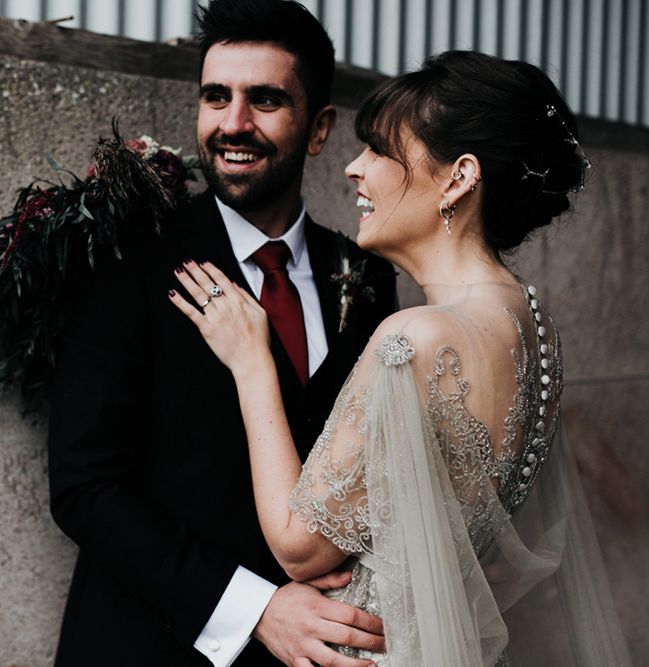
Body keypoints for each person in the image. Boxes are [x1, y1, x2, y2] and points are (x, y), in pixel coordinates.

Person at [170, 51, 633, 665]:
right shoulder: (533, 323)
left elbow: (300, 550)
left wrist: (253, 362)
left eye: (381, 152)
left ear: (459, 178)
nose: (355, 170)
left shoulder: (413, 339)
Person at [47, 0, 396, 665]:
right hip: (151, 643)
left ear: (318, 128)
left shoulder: (366, 274)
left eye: (264, 100)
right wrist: (256, 606)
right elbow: (84, 486)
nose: (233, 124)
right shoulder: (129, 257)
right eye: (216, 97)